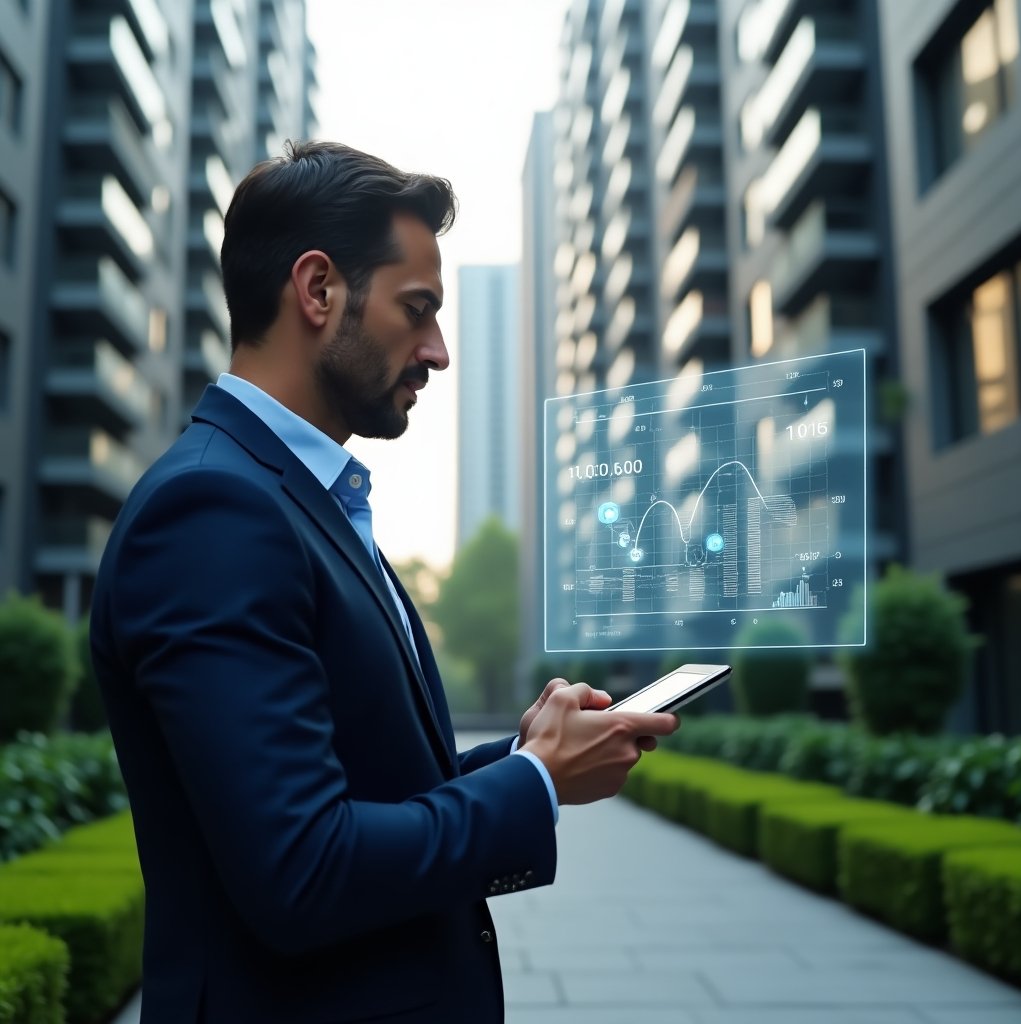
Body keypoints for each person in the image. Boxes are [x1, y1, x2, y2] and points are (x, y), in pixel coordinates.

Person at [90, 140, 678, 1024]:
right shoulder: (214, 511)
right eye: (418, 310)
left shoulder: (300, 502)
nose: (438, 352)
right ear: (318, 290)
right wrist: (537, 787)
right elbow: (304, 868)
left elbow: (365, 787)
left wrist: (528, 759)